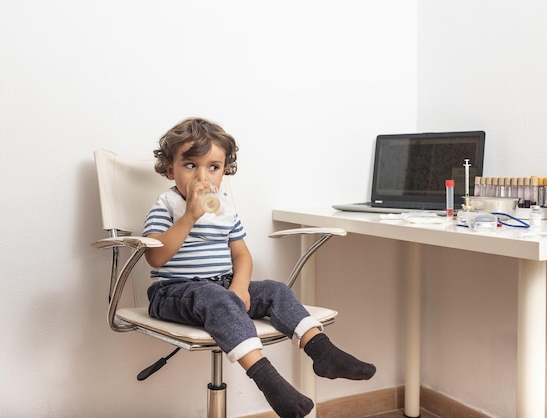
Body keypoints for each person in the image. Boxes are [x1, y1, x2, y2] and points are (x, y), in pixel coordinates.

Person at [143, 117, 376, 418]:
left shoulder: (224, 207)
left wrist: (240, 285)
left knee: (275, 290)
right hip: (173, 291)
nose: (203, 177)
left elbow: (242, 255)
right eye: (190, 165)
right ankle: (270, 383)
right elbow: (155, 257)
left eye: (213, 167)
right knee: (219, 298)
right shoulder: (167, 205)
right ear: (169, 168)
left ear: (224, 171)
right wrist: (188, 217)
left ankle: (323, 353)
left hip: (221, 285)